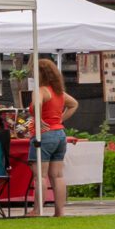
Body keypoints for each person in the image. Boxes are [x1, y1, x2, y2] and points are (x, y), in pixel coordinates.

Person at [28, 57, 77, 216]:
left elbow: (37, 105)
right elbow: (74, 104)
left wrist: (39, 120)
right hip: (60, 134)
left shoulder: (41, 90)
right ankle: (59, 211)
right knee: (57, 176)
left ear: (40, 73)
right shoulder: (59, 93)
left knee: (40, 176)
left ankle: (37, 210)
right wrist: (60, 119)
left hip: (44, 135)